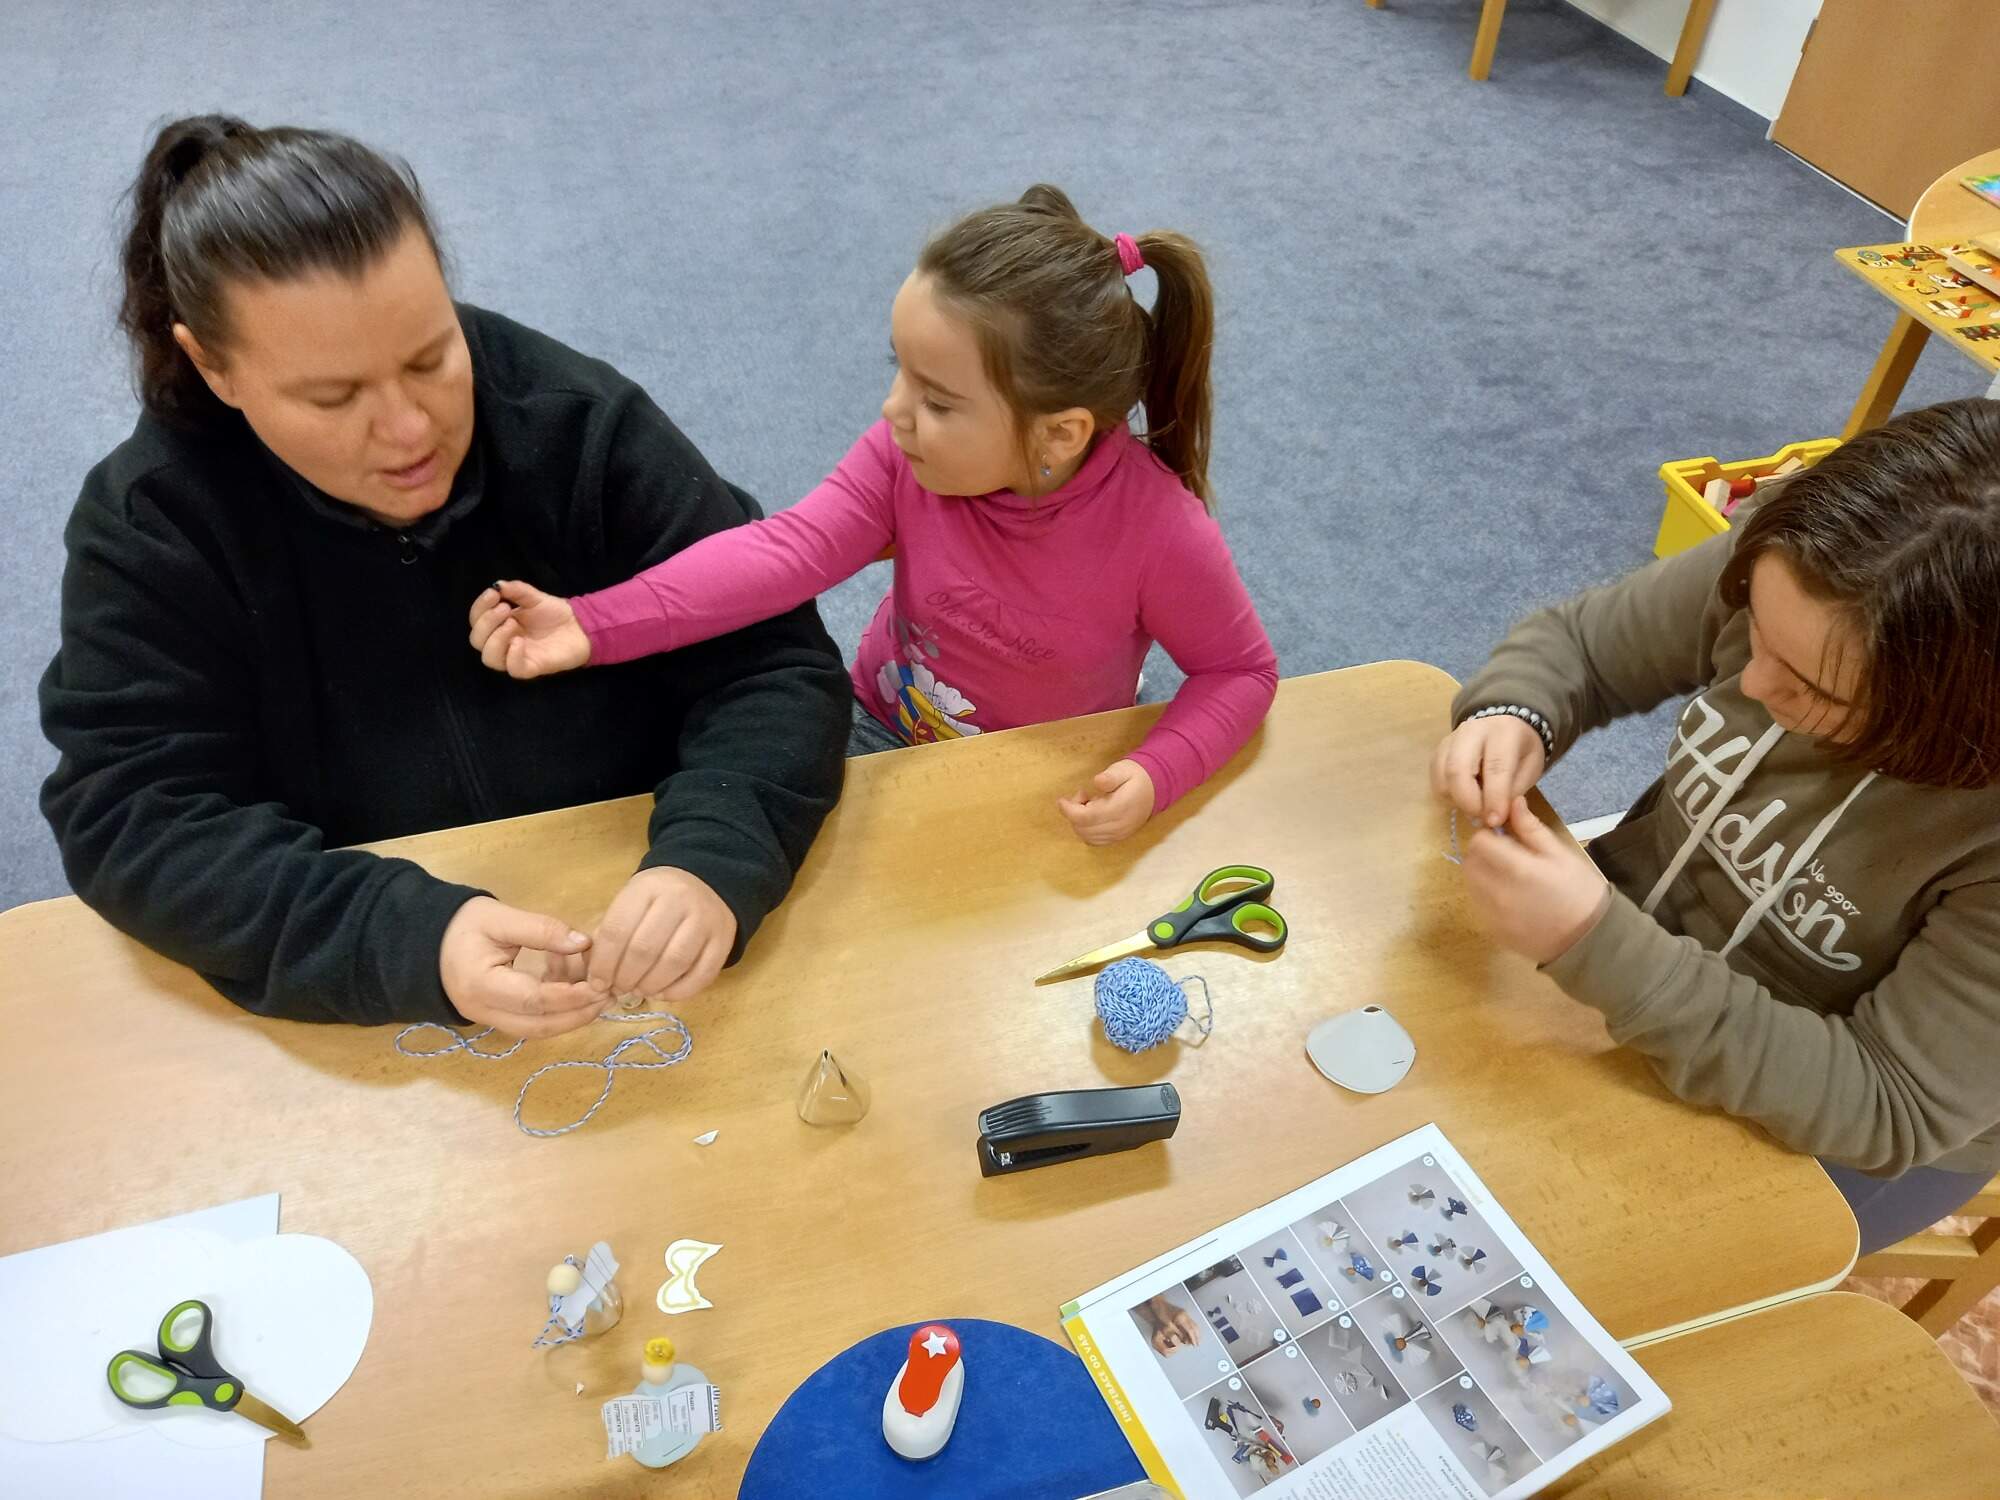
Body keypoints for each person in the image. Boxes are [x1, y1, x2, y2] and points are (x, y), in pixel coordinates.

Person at [39, 116, 849, 1036]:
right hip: (369, 995)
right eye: (334, 395)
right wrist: (404, 937)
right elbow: (134, 814)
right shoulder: (154, 525)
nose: (410, 430)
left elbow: (771, 660)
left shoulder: (576, 426)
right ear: (212, 366)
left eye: (431, 356)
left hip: (635, 906)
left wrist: (714, 850)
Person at [464, 185, 1278, 846]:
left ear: (1058, 434)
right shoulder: (905, 455)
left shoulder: (1162, 534)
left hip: (1047, 775)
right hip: (880, 725)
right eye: (900, 371)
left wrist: (1156, 771)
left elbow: (1240, 673)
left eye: (938, 400)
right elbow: (783, 553)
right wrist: (592, 622)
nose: (893, 410)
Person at [1432, 398, 2000, 1254]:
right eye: (1754, 629)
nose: (1752, 682)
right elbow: (1581, 645)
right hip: (1636, 964)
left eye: (1813, 690)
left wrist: (1597, 943)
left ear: (1955, 714)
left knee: (1591, 1264)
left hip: (1835, 1130)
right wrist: (1516, 711)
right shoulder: (1815, 571)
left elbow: (1889, 1105)